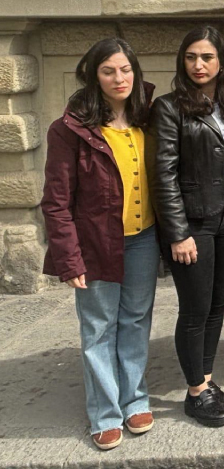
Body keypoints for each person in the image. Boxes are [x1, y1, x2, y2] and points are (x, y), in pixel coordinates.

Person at [41, 38, 158, 450]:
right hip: (94, 244)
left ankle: (135, 400)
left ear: (135, 72)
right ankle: (105, 413)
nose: (119, 78)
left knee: (135, 321)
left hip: (143, 239)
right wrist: (68, 259)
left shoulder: (148, 118)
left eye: (125, 69)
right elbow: (55, 202)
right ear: (94, 76)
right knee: (98, 328)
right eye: (109, 71)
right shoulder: (70, 130)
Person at [148, 27, 224, 427]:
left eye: (207, 57)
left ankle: (205, 379)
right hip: (194, 221)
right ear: (182, 62)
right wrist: (177, 232)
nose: (198, 65)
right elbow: (164, 174)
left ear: (221, 61)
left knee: (217, 304)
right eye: (191, 57)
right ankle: (194, 393)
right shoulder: (169, 107)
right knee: (195, 309)